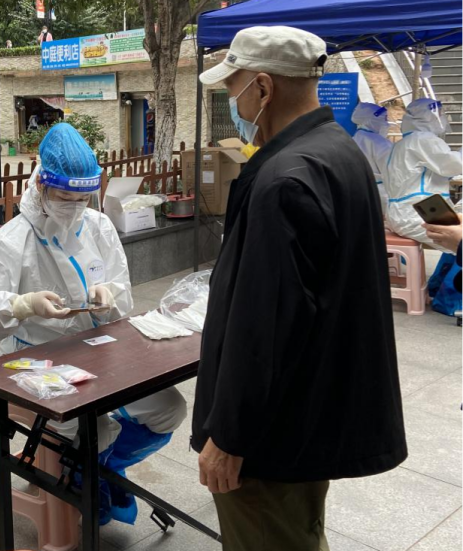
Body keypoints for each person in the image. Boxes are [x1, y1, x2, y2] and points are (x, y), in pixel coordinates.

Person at [194, 26, 406, 551]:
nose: (233, 101)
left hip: (269, 437)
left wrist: (230, 436)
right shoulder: (337, 151)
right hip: (306, 413)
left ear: (263, 88)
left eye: (233, 88)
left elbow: (264, 329)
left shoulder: (285, 179)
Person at [0, 123, 186, 526]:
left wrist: (110, 295)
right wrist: (22, 305)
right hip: (37, 358)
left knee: (169, 407)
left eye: (83, 199)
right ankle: (84, 475)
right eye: (65, 198)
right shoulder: (13, 240)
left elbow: (122, 294)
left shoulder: (98, 226)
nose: (75, 207)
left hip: (99, 348)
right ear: (41, 185)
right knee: (87, 423)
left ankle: (102, 470)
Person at [385, 98, 463, 251]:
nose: (442, 118)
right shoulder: (422, 139)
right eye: (439, 114)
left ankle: (446, 267)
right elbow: (455, 165)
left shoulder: (402, 144)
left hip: (401, 213)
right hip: (420, 214)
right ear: (428, 117)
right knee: (459, 240)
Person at [352, 102, 392, 214]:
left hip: (359, 193)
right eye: (384, 119)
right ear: (371, 120)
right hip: (381, 195)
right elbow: (393, 170)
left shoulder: (352, 139)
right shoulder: (380, 143)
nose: (386, 123)